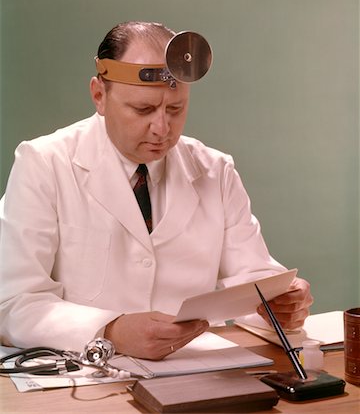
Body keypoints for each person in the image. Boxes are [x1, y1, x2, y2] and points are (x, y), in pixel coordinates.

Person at [0, 21, 313, 360]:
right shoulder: (44, 163)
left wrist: (279, 304)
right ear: (99, 96)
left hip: (194, 372)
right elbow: (12, 301)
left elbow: (254, 276)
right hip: (89, 378)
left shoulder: (215, 170)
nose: (162, 128)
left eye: (175, 109)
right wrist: (111, 331)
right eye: (143, 109)